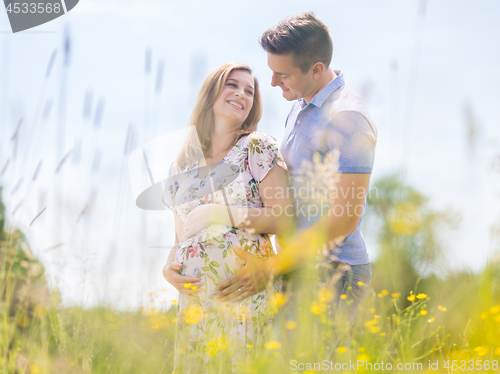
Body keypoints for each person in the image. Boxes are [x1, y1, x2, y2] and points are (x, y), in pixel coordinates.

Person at [215, 12, 378, 358]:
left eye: (283, 74)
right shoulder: (302, 105)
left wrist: (270, 268)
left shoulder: (347, 116)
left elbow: (345, 219)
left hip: (333, 272)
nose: (272, 82)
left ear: (316, 69)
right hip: (297, 265)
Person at [162, 62, 294, 373]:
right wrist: (168, 269)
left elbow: (284, 218)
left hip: (245, 294)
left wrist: (217, 214)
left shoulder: (256, 148)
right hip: (196, 305)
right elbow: (181, 239)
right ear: (210, 95)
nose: (242, 94)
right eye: (232, 85)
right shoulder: (180, 167)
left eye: (249, 91)